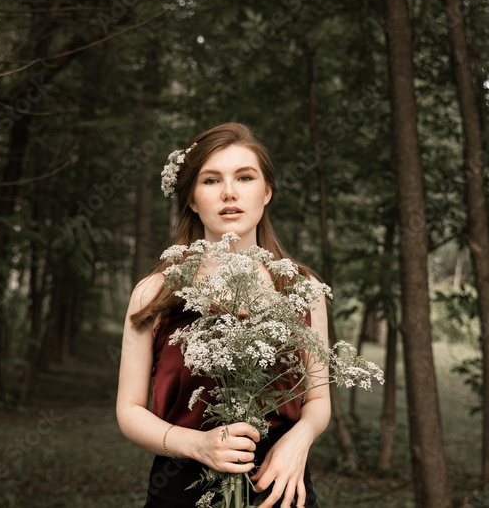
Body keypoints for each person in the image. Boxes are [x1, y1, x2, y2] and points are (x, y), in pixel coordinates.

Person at [116, 122, 329, 508]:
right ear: (192, 200)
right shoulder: (156, 291)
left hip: (280, 488)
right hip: (180, 490)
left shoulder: (302, 287)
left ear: (266, 192)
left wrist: (298, 441)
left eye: (244, 177)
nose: (229, 192)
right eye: (211, 180)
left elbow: (318, 400)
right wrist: (197, 444)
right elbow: (129, 410)